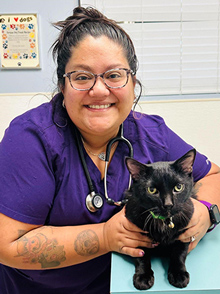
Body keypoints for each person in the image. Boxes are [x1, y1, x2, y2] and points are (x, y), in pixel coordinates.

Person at [0, 6, 219, 294]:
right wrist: (104, 236)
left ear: (133, 83)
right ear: (62, 86)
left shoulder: (150, 133)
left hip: (123, 284)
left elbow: (213, 176)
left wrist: (206, 212)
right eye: (81, 77)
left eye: (114, 75)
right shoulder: (31, 139)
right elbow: (7, 246)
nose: (100, 90)